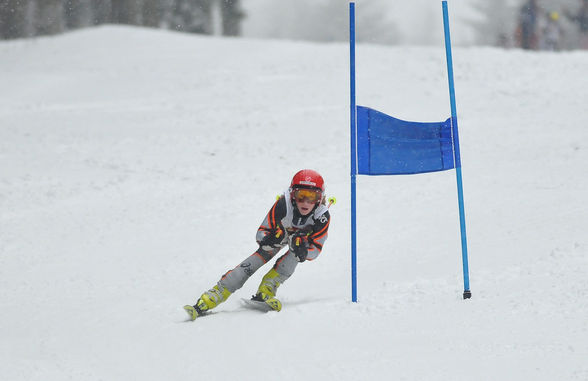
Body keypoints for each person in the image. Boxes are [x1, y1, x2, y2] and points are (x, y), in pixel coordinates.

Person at [184, 169, 331, 320]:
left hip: (301, 240)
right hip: (280, 234)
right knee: (258, 258)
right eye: (301, 196)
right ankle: (216, 293)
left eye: (312, 197)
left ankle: (268, 287)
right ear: (292, 195)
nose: (305, 202)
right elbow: (261, 233)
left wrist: (303, 251)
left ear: (320, 199)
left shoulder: (322, 217)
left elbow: (316, 250)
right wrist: (270, 240)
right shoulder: (283, 205)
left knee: (295, 255)